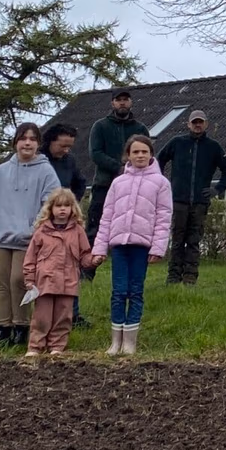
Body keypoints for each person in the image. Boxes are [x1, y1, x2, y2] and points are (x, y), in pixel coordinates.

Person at [0, 123, 63, 345]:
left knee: (19, 280)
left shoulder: (45, 171)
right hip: (0, 236)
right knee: (2, 282)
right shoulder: (2, 171)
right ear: (15, 142)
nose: (27, 143)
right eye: (23, 138)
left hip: (28, 238)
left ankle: (21, 325)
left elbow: (51, 203)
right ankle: (3, 326)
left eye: (32, 139)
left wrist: (37, 229)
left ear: (38, 144)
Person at [94, 134, 171, 356]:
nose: (140, 155)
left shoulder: (161, 183)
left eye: (144, 152)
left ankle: (130, 343)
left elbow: (164, 217)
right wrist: (99, 247)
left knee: (135, 292)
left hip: (142, 246)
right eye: (135, 152)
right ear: (127, 155)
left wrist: (158, 247)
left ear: (151, 155)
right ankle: (115, 342)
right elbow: (107, 216)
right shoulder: (118, 183)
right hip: (120, 246)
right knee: (118, 292)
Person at [158, 110, 226, 285]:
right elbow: (159, 160)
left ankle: (190, 277)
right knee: (177, 240)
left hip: (200, 203)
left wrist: (217, 189)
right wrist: (163, 184)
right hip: (178, 201)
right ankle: (173, 276)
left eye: (200, 122)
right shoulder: (177, 143)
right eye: (194, 122)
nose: (197, 125)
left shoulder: (213, 147)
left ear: (206, 124)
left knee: (194, 241)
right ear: (188, 124)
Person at [22, 188, 98, 359]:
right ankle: (35, 346)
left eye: (66, 205)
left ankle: (57, 346)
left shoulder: (78, 231)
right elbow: (30, 257)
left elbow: (84, 255)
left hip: (68, 282)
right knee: (41, 317)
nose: (62, 209)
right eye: (58, 206)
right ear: (50, 208)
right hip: (45, 282)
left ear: (73, 208)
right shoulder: (41, 231)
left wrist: (94, 260)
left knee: (63, 316)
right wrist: (29, 278)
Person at [42, 121, 91, 324]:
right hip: (44, 221)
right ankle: (47, 314)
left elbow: (80, 183)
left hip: (66, 221)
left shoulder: (70, 161)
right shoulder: (39, 161)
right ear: (50, 141)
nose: (66, 150)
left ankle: (73, 314)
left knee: (70, 266)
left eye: (69, 146)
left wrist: (70, 204)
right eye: (62, 145)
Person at [87, 89, 149, 244]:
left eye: (125, 99)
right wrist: (118, 168)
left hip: (133, 186)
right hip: (104, 184)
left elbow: (146, 154)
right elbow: (95, 153)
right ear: (112, 103)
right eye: (118, 100)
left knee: (128, 227)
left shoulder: (140, 129)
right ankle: (90, 259)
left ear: (131, 102)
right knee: (96, 226)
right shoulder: (100, 126)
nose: (122, 103)